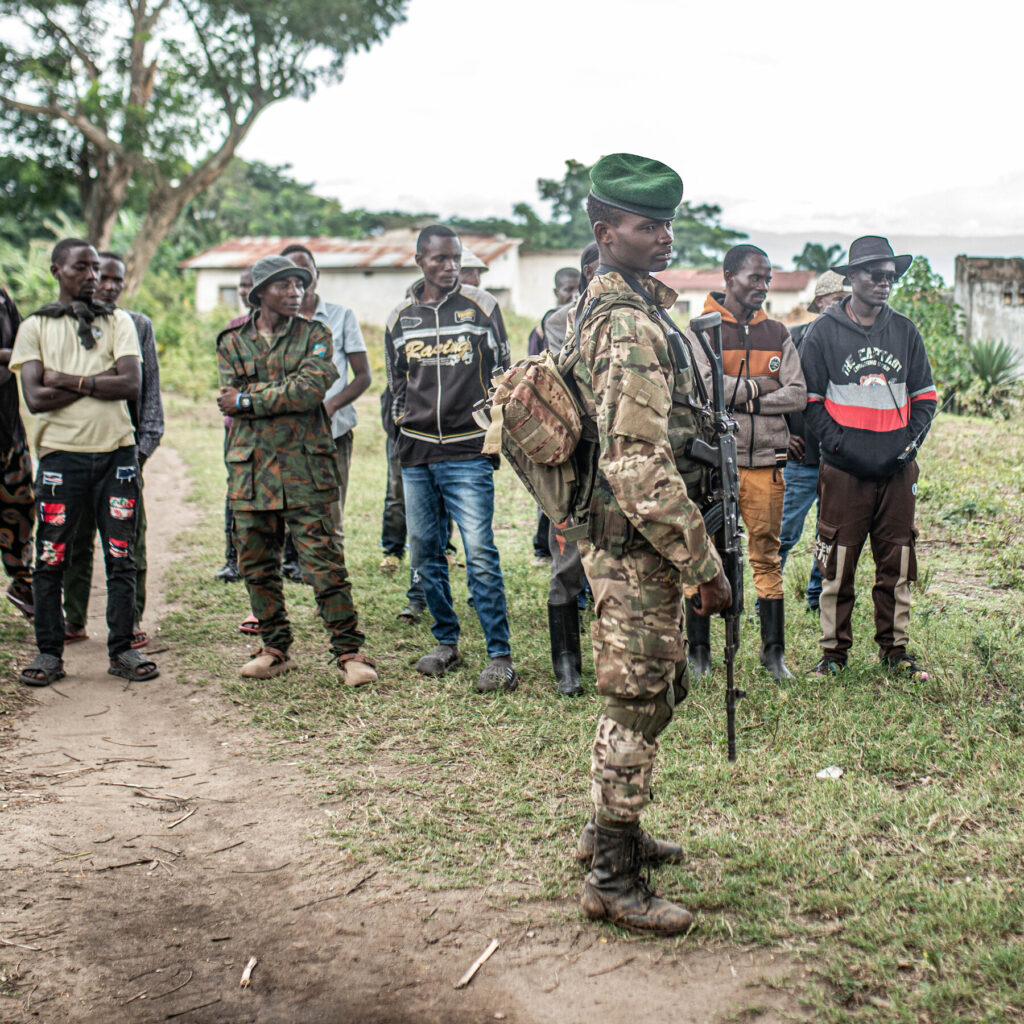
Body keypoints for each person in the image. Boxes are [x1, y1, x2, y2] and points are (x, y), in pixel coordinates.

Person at [570, 154, 731, 934]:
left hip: (634, 538)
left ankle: (612, 834)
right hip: (637, 543)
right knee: (635, 704)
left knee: (656, 691)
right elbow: (634, 461)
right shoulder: (627, 322)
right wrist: (702, 564)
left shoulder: (626, 304)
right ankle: (611, 878)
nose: (663, 236)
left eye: (667, 223)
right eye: (646, 225)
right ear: (606, 232)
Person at [216, 255, 376, 685]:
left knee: (324, 564)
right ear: (259, 293)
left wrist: (248, 400)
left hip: (305, 468)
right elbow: (230, 396)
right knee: (256, 564)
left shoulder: (316, 334)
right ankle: (274, 647)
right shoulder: (231, 341)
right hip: (251, 469)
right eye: (284, 285)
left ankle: (349, 652)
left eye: (299, 284)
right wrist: (272, 395)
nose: (295, 292)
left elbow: (309, 391)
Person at [10, 238, 157, 685]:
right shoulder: (34, 326)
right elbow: (36, 398)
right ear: (57, 271)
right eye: (82, 267)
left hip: (117, 456)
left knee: (121, 557)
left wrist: (64, 379)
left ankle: (122, 650)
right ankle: (49, 654)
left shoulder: (119, 322)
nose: (92, 277)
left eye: (96, 268)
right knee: (51, 556)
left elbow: (130, 384)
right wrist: (97, 380)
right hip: (59, 459)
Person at [384, 225, 515, 693]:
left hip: (467, 451)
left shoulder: (482, 307)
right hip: (417, 449)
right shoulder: (400, 318)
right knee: (425, 551)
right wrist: (402, 424)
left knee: (479, 552)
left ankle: (499, 656)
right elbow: (396, 384)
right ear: (420, 260)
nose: (450, 266)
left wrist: (492, 432)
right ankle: (446, 642)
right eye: (440, 258)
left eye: (455, 258)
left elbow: (504, 375)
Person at [800, 236, 936, 680]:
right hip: (843, 472)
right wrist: (840, 445)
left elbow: (926, 399)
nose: (884, 283)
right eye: (875, 275)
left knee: (897, 562)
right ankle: (833, 655)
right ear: (852, 277)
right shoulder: (824, 331)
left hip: (897, 472)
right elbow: (809, 401)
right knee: (837, 564)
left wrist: (906, 446)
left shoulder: (905, 331)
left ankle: (895, 653)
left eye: (890, 277)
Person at [685, 245, 806, 681]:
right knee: (700, 554)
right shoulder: (700, 330)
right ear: (729, 276)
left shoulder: (778, 332)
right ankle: (699, 653)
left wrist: (742, 397)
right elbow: (705, 391)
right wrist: (762, 387)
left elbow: (797, 393)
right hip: (713, 464)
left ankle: (774, 655)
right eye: (755, 277)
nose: (763, 286)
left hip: (766, 462)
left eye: (768, 279)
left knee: (766, 556)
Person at [63, 252, 164, 647]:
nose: (108, 286)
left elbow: (149, 393)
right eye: (102, 277)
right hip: (75, 449)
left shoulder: (137, 325)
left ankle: (129, 619)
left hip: (122, 454)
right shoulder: (62, 324)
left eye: (116, 279)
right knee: (74, 538)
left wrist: (142, 451)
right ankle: (73, 619)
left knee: (127, 541)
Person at [280, 244, 371, 538]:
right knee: (287, 513)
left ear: (316, 275)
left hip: (333, 431)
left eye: (305, 273)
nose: (299, 283)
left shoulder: (341, 316)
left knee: (330, 515)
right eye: (289, 277)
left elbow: (363, 376)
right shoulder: (276, 321)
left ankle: (329, 561)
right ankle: (293, 560)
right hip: (287, 434)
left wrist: (330, 406)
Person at [541, 246, 599, 697]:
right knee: (569, 559)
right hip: (577, 464)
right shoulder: (562, 321)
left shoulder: (649, 317)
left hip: (627, 462)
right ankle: (567, 666)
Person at [778, 270, 847, 613]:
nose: (843, 307)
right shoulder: (795, 338)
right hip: (802, 458)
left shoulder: (852, 344)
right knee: (785, 532)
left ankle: (816, 598)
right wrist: (783, 433)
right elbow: (776, 388)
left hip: (839, 460)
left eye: (847, 301)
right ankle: (766, 599)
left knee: (828, 535)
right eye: (837, 300)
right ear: (820, 302)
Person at [527, 266, 583, 566]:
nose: (573, 295)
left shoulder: (586, 320)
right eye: (566, 290)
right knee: (552, 493)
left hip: (579, 420)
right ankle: (543, 549)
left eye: (577, 289)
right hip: (554, 420)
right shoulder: (545, 327)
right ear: (555, 292)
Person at [215, 265, 254, 584]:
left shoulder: (293, 331)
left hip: (278, 428)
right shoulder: (233, 329)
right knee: (237, 491)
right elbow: (230, 385)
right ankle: (233, 560)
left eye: (250, 285)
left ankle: (289, 561)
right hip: (238, 427)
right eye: (241, 285)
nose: (244, 291)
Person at [0, 284, 34, 619]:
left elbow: (28, 350)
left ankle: (23, 587)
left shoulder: (4, 300)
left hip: (8, 433)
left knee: (21, 510)